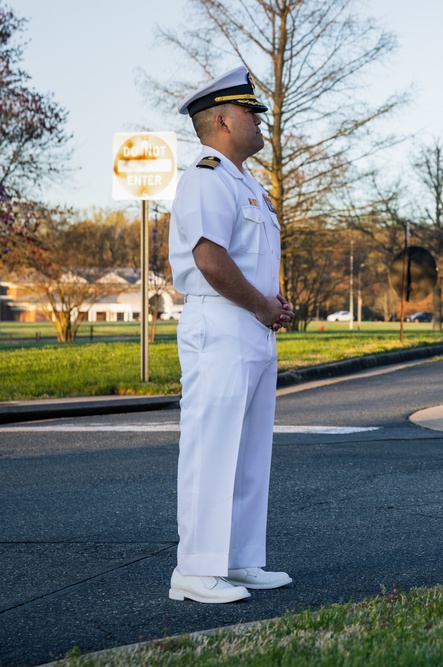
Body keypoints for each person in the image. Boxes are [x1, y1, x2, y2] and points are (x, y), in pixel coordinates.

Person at [167, 66, 295, 603]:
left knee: (247, 452)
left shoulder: (245, 183)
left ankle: (240, 560)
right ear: (220, 121)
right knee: (212, 448)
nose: (259, 119)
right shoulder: (205, 174)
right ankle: (195, 572)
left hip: (250, 324)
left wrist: (271, 303)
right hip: (219, 322)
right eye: (249, 111)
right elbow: (209, 258)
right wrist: (263, 305)